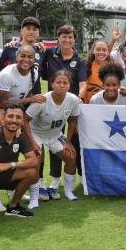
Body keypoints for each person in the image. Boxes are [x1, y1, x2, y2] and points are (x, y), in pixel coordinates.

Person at [41, 25, 88, 194]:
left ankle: (82, 176)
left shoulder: (80, 59)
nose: (67, 40)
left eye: (70, 37)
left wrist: (78, 98)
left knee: (76, 140)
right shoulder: (49, 54)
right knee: (55, 139)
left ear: (74, 39)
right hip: (54, 104)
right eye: (64, 37)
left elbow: (83, 84)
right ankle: (55, 179)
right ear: (58, 38)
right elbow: (43, 74)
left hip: (73, 105)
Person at [24, 70, 81, 207]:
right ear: (52, 84)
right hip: (36, 133)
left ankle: (68, 191)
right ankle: (34, 197)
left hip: (55, 135)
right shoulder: (42, 100)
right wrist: (32, 142)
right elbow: (25, 120)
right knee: (36, 161)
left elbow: (73, 121)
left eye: (65, 83)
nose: (61, 85)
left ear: (69, 85)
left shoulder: (73, 99)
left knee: (71, 157)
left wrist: (67, 142)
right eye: (58, 82)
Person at [0, 45, 43, 109]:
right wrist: (30, 99)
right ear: (16, 57)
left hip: (16, 108)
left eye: (30, 57)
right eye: (22, 56)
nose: (26, 59)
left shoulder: (34, 73)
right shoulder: (6, 74)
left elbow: (26, 95)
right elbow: (2, 104)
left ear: (34, 60)